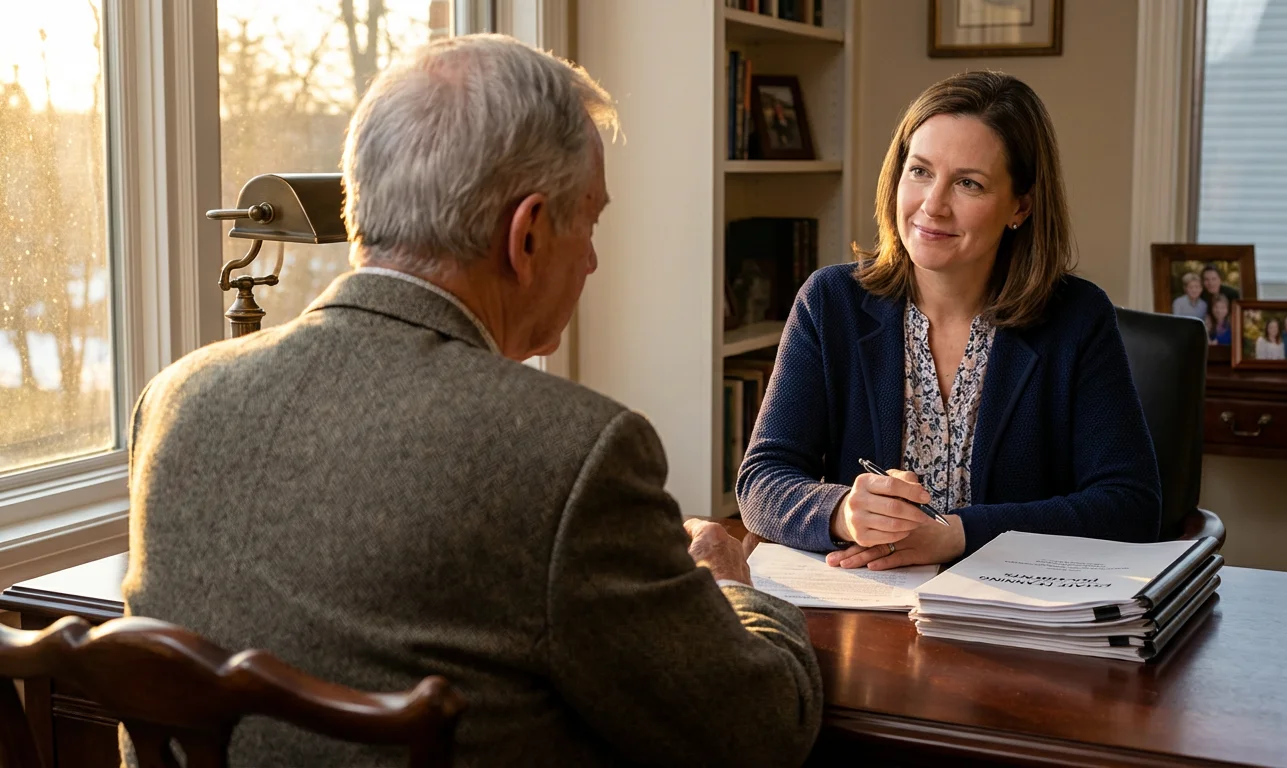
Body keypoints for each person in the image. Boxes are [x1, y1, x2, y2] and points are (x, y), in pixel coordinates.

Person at [124, 35, 821, 767]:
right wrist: (736, 593)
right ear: (525, 236)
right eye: (589, 221)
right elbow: (757, 733)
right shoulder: (571, 454)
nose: (590, 258)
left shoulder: (174, 402)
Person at [736, 71, 1161, 570]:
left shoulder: (1077, 319)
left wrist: (960, 534)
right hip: (867, 610)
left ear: (1019, 206)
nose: (932, 206)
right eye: (919, 171)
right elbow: (762, 479)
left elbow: (1131, 505)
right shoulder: (830, 302)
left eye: (968, 183)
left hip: (1012, 617)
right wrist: (842, 513)